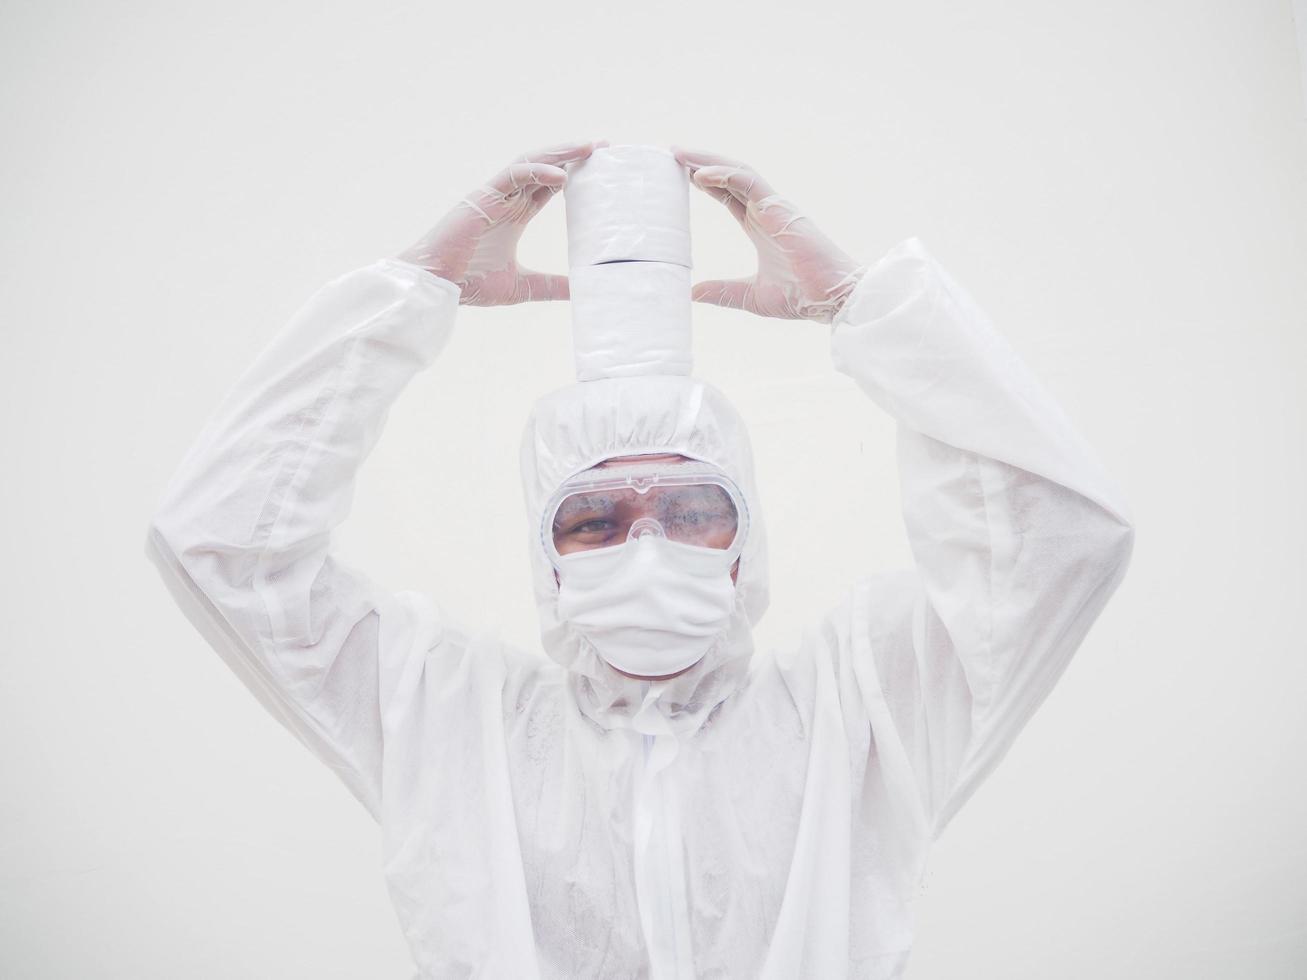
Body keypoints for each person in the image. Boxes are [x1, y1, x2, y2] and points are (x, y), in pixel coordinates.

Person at [144, 139, 1135, 979]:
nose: (646, 544)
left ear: (745, 539)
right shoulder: (449, 719)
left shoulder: (859, 709)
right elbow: (223, 543)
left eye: (695, 506)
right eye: (592, 518)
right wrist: (408, 295)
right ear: (546, 555)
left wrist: (864, 309)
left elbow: (1057, 535)